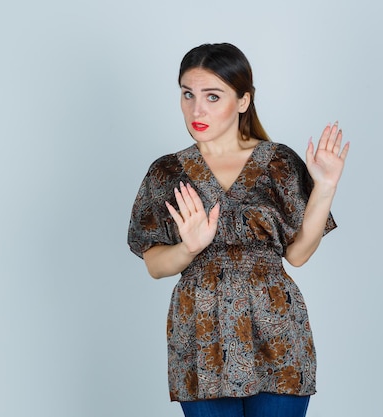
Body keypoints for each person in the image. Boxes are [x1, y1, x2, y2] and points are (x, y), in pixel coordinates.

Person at [127, 43, 349, 417]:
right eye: (188, 94)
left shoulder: (279, 162)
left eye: (213, 96)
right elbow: (154, 265)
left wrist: (325, 187)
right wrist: (190, 248)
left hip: (277, 331)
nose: (197, 109)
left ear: (243, 101)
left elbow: (297, 254)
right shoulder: (166, 173)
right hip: (202, 335)